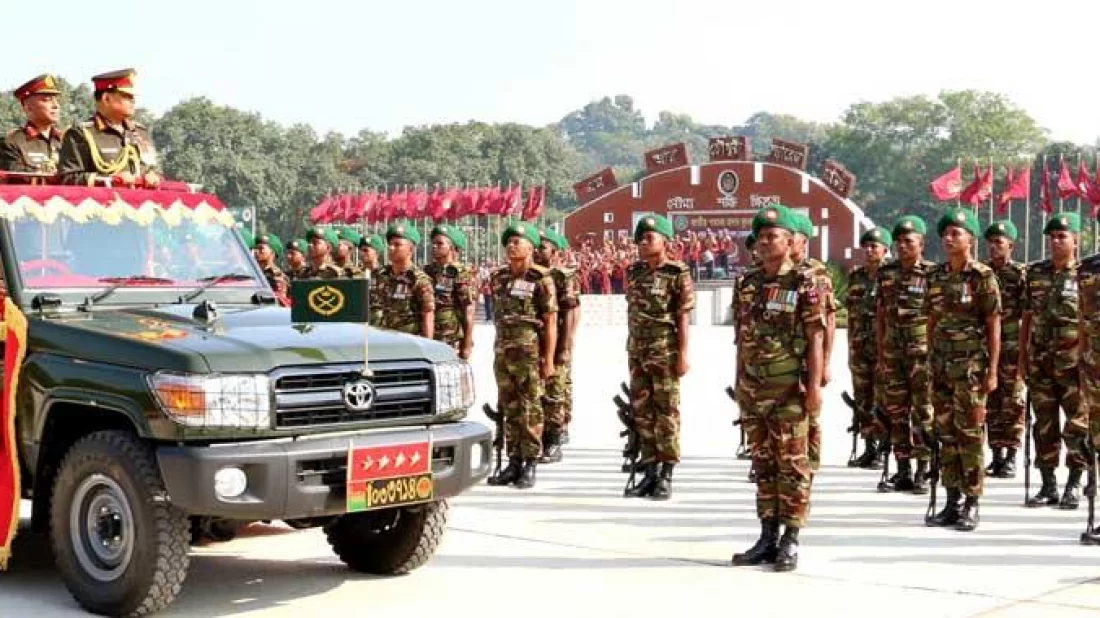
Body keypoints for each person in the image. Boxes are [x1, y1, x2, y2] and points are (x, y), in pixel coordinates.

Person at [731, 204, 824, 572]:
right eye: (762, 237)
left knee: (793, 466)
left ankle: (791, 538)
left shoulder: (805, 281)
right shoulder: (747, 282)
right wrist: (739, 380)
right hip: (755, 389)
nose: (767, 242)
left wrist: (814, 386)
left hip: (790, 388)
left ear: (789, 241)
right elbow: (742, 337)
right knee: (763, 464)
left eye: (774, 236)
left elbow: (816, 336)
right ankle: (767, 535)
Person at [923, 208, 1000, 531]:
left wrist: (992, 371)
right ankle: (952, 499)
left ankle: (972, 500)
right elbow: (931, 320)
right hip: (941, 368)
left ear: (970, 238)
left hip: (970, 369)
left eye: (956, 233)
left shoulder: (982, 277)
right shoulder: (936, 276)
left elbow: (993, 323)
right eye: (946, 233)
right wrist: (929, 360)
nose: (949, 238)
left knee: (969, 436)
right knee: (945, 435)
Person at [1021, 212, 1088, 509]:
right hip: (1041, 362)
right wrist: (1023, 358)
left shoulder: (1086, 274)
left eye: (1062, 236)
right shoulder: (1035, 273)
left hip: (1074, 364)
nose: (1056, 241)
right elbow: (1026, 318)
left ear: (1076, 239)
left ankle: (1074, 484)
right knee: (1043, 425)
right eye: (1052, 237)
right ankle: (1048, 485)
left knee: (1077, 425)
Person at [623, 214, 693, 500]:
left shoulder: (677, 274)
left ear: (665, 241)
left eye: (650, 237)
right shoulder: (634, 272)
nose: (643, 242)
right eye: (641, 237)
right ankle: (649, 471)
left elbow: (683, 316)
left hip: (664, 351)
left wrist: (683, 355)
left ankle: (666, 473)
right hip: (638, 351)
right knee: (642, 413)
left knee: (666, 413)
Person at [486, 222, 558, 489]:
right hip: (503, 352)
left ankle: (530, 462)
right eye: (509, 241)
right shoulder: (499, 278)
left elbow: (550, 321)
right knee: (509, 407)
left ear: (531, 247)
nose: (511, 245)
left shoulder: (540, 279)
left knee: (531, 408)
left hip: (529, 353)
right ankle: (513, 461)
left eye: (517, 241)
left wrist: (549, 359)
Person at [876, 215, 936, 493]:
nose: (902, 246)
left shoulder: (932, 274)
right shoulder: (886, 273)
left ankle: (923, 468)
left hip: (921, 355)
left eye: (908, 241)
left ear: (921, 244)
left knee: (923, 412)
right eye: (898, 241)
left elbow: (938, 315)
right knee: (897, 412)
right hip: (893, 354)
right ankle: (902, 469)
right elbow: (880, 315)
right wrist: (880, 351)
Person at [58, 68, 160, 187]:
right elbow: (68, 178)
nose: (133, 101)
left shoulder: (140, 132)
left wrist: (152, 176)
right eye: (127, 96)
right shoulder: (81, 133)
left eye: (132, 96)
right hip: (100, 203)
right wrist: (110, 180)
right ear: (106, 98)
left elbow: (153, 169)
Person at [790, 213, 835, 476]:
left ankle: (810, 464)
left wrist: (826, 363)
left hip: (809, 359)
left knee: (810, 413)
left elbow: (827, 324)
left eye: (791, 236)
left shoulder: (816, 275)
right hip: (781, 361)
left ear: (803, 241)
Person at [983, 220, 1027, 478]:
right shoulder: (982, 272)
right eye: (990, 242)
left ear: (1011, 244)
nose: (993, 246)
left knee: (1013, 402)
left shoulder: (1020, 275)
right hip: (987, 347)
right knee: (991, 402)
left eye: (999, 242)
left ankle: (1011, 454)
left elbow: (1028, 313)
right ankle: (996, 454)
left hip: (1011, 346)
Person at [846, 227, 892, 469]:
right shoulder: (856, 277)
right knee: (863, 398)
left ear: (886, 249)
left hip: (885, 348)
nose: (869, 250)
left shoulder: (891, 276)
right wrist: (850, 347)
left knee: (883, 399)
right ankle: (869, 447)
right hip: (860, 348)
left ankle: (885, 447)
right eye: (866, 246)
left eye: (875, 246)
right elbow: (851, 315)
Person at [536, 229, 581, 463]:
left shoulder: (563, 275)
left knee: (555, 390)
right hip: (536, 341)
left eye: (543, 247)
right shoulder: (532, 274)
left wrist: (566, 344)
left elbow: (572, 310)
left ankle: (554, 438)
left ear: (555, 250)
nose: (537, 251)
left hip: (558, 338)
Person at [371, 222, 435, 337]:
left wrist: (428, 345)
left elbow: (427, 315)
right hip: (380, 340)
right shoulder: (380, 275)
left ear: (411, 249)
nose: (391, 248)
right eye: (390, 244)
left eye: (397, 244)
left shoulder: (419, 280)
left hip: (407, 343)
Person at [425, 224, 474, 358]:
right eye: (433, 243)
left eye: (440, 243)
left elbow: (468, 310)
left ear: (452, 247)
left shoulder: (460, 273)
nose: (434, 246)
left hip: (450, 338)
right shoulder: (427, 271)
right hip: (427, 335)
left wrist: (467, 344)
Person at [1, 74, 63, 175]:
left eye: (56, 100)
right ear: (28, 108)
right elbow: (12, 179)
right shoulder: (12, 143)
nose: (55, 106)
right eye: (46, 100)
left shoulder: (66, 141)